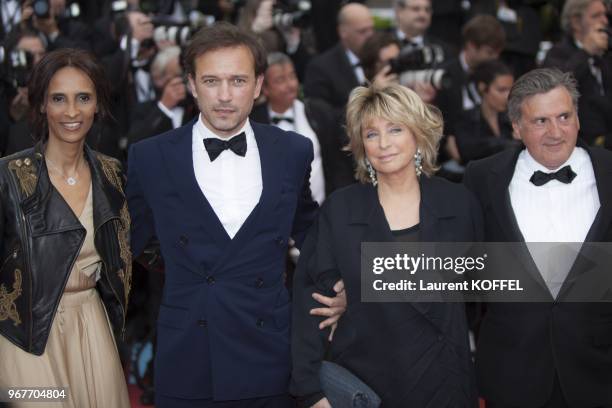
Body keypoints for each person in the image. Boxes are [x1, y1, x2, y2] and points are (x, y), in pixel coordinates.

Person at [126, 22, 345, 407]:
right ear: (192, 85)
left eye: (238, 81)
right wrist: (188, 269)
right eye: (211, 81)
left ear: (258, 85)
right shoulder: (151, 156)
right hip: (188, 350)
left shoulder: (292, 151)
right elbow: (134, 241)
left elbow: (309, 231)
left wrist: (341, 291)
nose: (225, 96)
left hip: (268, 349)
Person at [291, 83, 482, 408]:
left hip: (445, 382)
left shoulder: (458, 202)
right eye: (371, 134)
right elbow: (310, 306)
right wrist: (311, 392)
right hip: (368, 384)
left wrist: (364, 285)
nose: (383, 144)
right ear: (361, 144)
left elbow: (479, 293)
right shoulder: (340, 209)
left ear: (417, 134)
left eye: (395, 129)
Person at [464, 67, 612, 407]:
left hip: (600, 372)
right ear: (516, 127)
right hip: (512, 373)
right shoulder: (483, 178)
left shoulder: (610, 171)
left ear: (578, 118)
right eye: (540, 121)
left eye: (564, 116)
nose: (556, 132)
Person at [0, 48, 131, 407]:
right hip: (24, 334)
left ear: (97, 105)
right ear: (41, 104)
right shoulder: (9, 177)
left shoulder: (111, 174)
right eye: (59, 98)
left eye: (83, 98)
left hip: (91, 324)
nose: (72, 112)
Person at [250, 52, 354, 201]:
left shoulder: (319, 113)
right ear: (264, 88)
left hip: (322, 208)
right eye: (280, 80)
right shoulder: (254, 121)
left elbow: (338, 163)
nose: (290, 85)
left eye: (292, 76)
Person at [543, 0, 612, 147]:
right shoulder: (557, 54)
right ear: (575, 22)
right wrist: (586, 51)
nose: (605, 20)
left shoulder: (606, 55)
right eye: (596, 16)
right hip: (578, 142)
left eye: (605, 15)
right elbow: (557, 86)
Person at [303, 2, 374, 113]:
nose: (370, 36)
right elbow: (325, 120)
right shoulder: (321, 68)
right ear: (343, 32)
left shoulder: (379, 56)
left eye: (371, 29)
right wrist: (372, 94)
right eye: (363, 31)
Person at [455, 59, 518, 164]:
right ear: (483, 88)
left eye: (510, 90)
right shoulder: (466, 119)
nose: (507, 96)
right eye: (501, 90)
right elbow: (467, 153)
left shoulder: (512, 118)